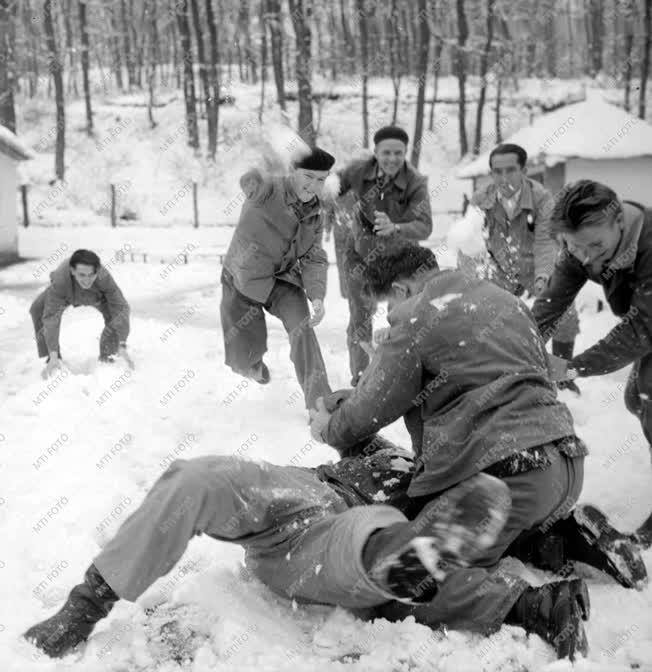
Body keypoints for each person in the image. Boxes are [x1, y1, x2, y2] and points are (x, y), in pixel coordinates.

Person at [309, 243, 646, 659]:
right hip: (562, 464)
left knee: (402, 578)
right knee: (491, 531)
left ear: (402, 287)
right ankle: (568, 536)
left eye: (387, 306)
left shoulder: (416, 316)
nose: (389, 316)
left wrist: (329, 427)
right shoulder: (503, 301)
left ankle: (539, 607)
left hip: (503, 476)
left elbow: (367, 412)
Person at [22, 431, 513, 659]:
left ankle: (403, 560)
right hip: (297, 489)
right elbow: (348, 425)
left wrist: (528, 604)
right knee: (198, 479)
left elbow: (477, 552)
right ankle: (85, 605)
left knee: (361, 548)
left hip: (338, 533)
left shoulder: (458, 498)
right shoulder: (390, 451)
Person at [532, 179, 652, 544]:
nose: (584, 257)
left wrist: (571, 367)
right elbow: (550, 305)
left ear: (619, 221)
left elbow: (642, 329)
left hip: (648, 323)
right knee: (636, 399)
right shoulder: (583, 247)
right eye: (574, 247)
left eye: (594, 246)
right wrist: (517, 345)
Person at [220, 146, 334, 409]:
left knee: (302, 329)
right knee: (242, 356)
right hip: (242, 279)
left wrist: (317, 296)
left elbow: (314, 256)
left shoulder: (316, 214)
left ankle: (319, 402)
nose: (314, 185)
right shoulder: (268, 189)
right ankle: (250, 365)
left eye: (321, 179)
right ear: (293, 171)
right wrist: (265, 163)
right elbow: (251, 181)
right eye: (308, 176)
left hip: (282, 280)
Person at [469, 143, 581, 393]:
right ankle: (492, 372)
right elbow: (470, 243)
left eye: (510, 170)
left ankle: (562, 375)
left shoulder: (542, 199)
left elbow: (545, 242)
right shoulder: (481, 199)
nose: (504, 178)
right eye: (497, 172)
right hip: (499, 265)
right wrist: (472, 283)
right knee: (485, 315)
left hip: (535, 264)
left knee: (565, 312)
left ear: (524, 170)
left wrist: (544, 276)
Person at [336, 125, 434, 385]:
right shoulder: (358, 171)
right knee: (360, 317)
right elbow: (331, 186)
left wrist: (397, 227)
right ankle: (361, 379)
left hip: (399, 259)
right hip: (359, 254)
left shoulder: (416, 182)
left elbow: (425, 226)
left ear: (405, 153)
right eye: (386, 153)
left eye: (398, 153)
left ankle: (396, 374)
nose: (392, 159)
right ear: (376, 152)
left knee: (401, 317)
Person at [29, 249, 131, 377]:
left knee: (114, 315)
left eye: (91, 275)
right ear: (72, 271)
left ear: (97, 271)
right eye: (82, 275)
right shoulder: (61, 280)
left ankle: (108, 355)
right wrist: (53, 354)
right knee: (38, 308)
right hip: (67, 293)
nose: (87, 280)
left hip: (97, 296)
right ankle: (53, 358)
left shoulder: (104, 277)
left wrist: (122, 343)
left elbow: (120, 307)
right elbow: (51, 317)